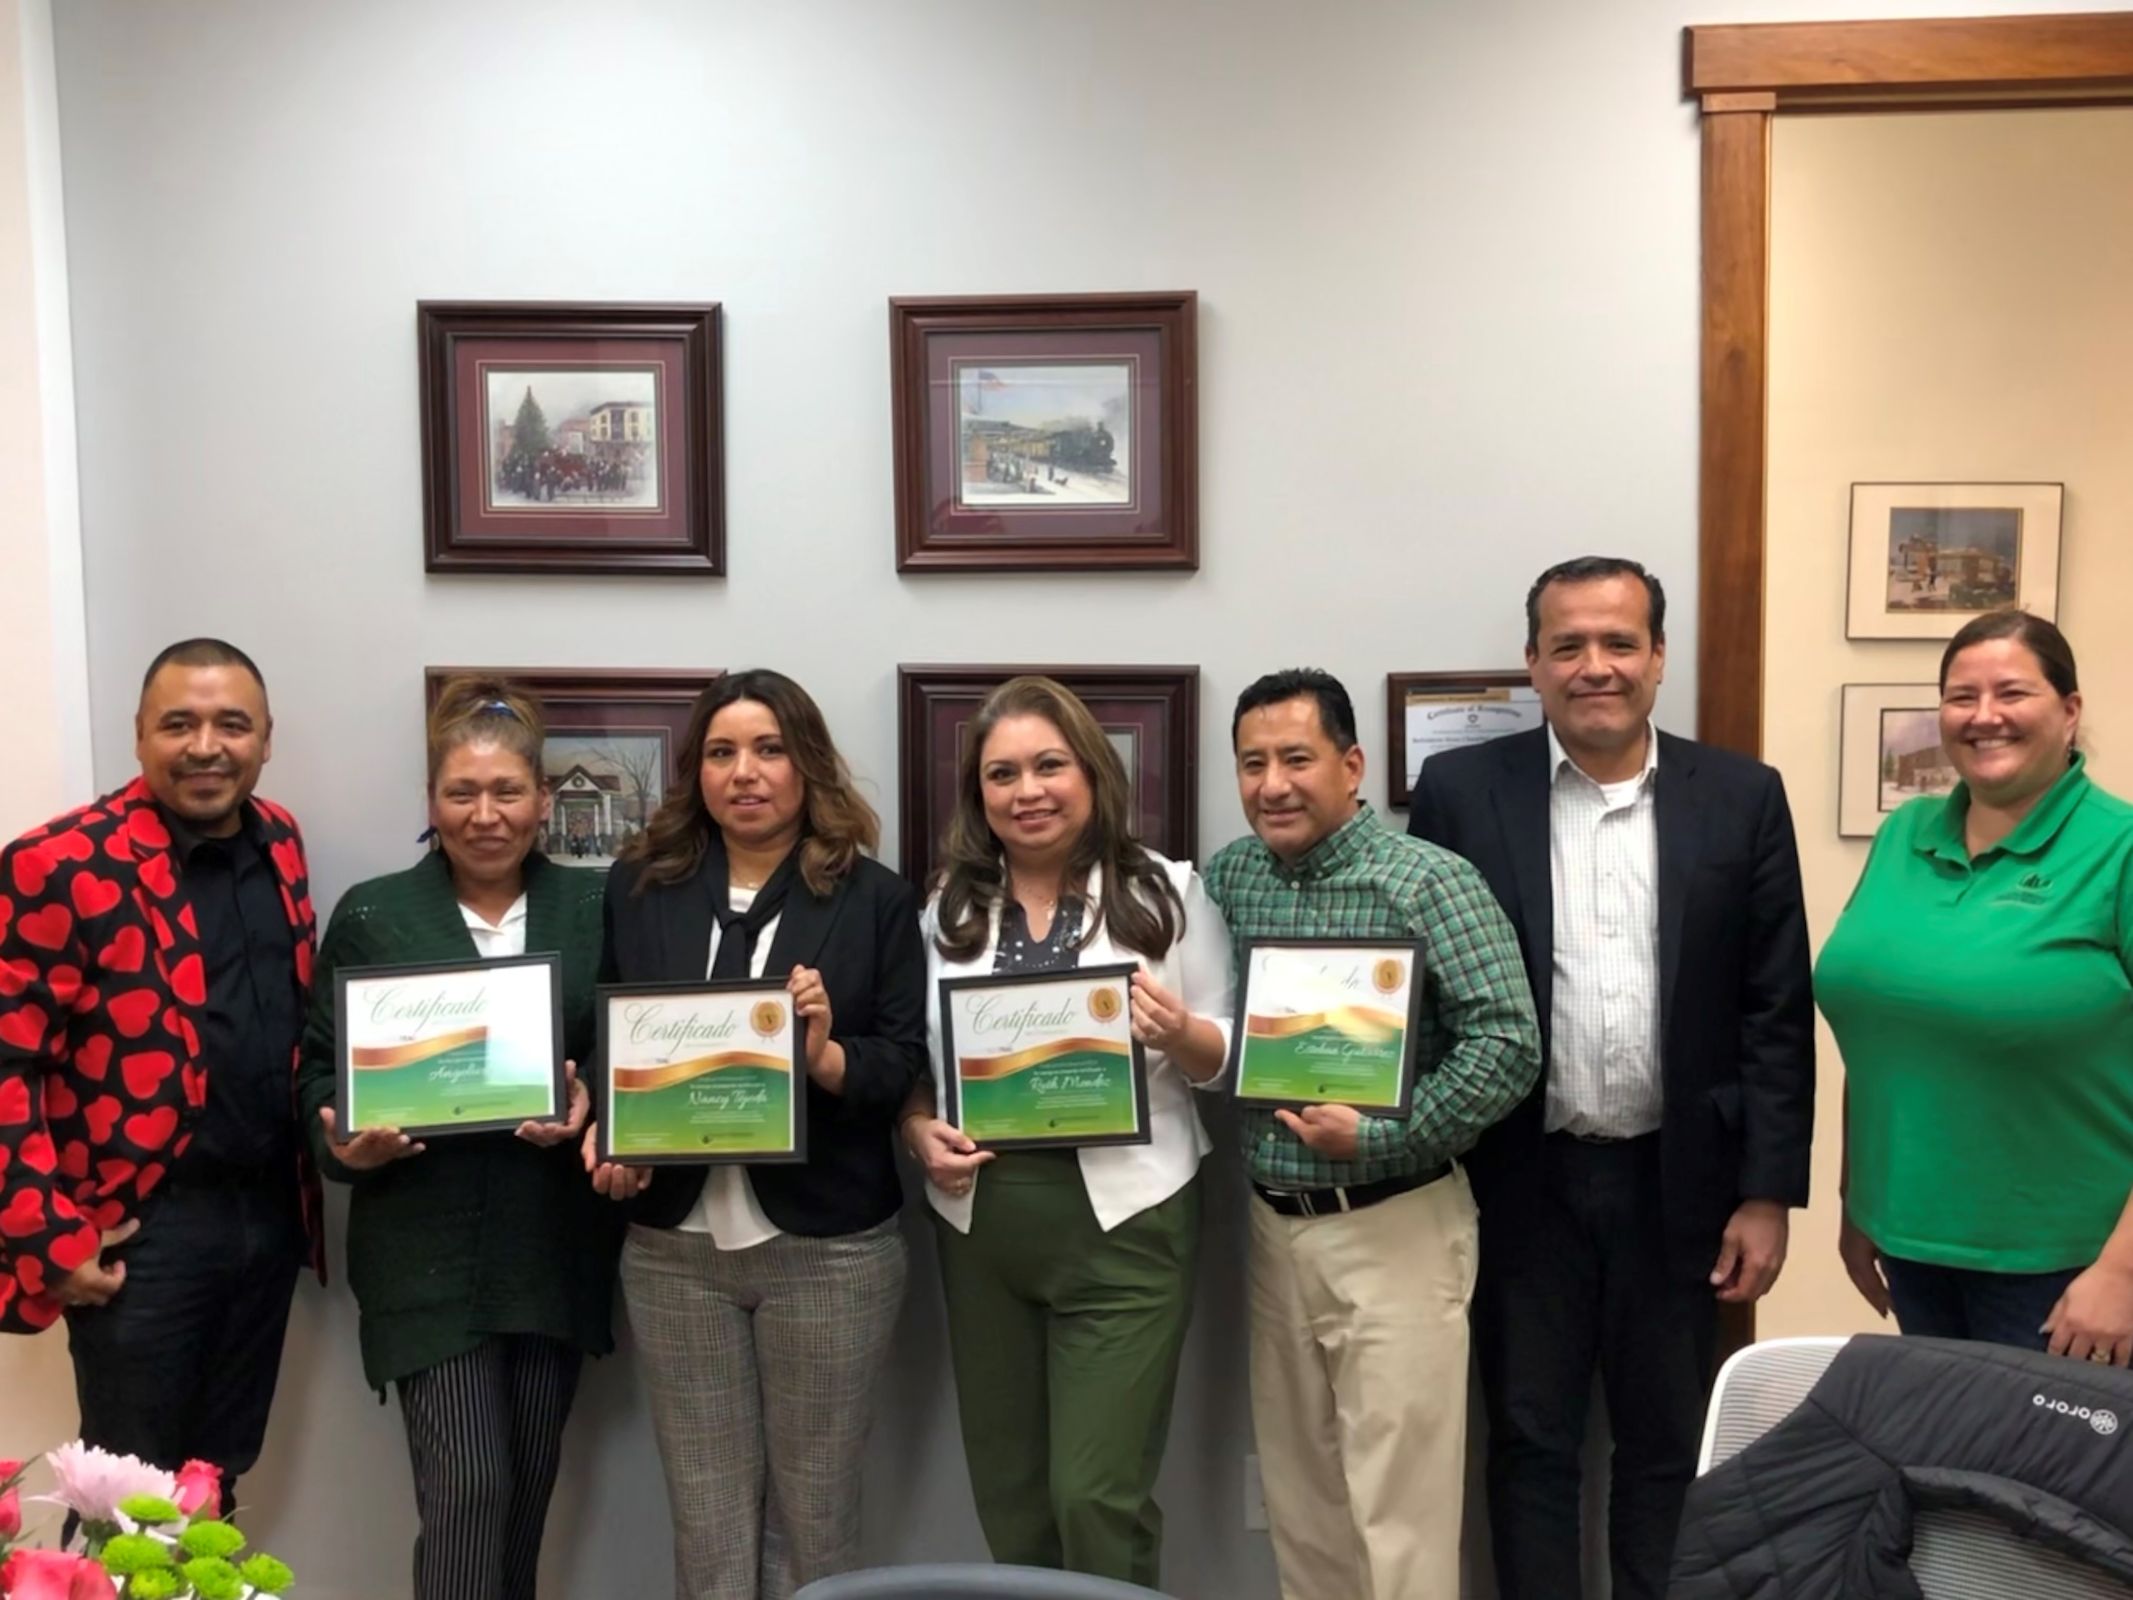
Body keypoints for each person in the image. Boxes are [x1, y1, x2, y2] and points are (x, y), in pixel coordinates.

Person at [1409, 556, 1816, 1600]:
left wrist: (1767, 1192)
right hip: (1518, 1178)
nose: (1597, 666)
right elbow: (1421, 993)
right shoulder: (1462, 792)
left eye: (1620, 643)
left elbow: (1774, 1010)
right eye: (1570, 645)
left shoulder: (1741, 796)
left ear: (1659, 656)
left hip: (1682, 1182)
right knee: (1531, 1443)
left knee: (1666, 1447)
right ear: (1533, 663)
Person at [584, 670, 925, 1600]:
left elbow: (899, 1065)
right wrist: (608, 1140)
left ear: (807, 765)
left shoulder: (875, 900)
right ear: (696, 771)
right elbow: (609, 1047)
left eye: (770, 749)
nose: (747, 773)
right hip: (671, 1248)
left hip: (828, 1250)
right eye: (724, 753)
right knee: (707, 1516)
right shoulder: (639, 889)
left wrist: (822, 1058)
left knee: (815, 1515)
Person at [1205, 667, 1541, 1600]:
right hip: (1274, 1227)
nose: (1272, 783)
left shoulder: (1428, 881)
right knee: (1301, 1501)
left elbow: (1508, 1043)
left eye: (1296, 758)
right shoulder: (1232, 879)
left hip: (1396, 1225)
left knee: (1401, 1511)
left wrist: (1386, 1138)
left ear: (1351, 765)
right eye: (1252, 762)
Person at [899, 676, 1234, 1589]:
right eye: (1001, 773)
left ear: (1091, 772)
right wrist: (919, 1127)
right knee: (1010, 1493)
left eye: (1049, 765)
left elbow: (1233, 1050)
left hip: (1128, 1222)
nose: (1026, 790)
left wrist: (1180, 1034)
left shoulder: (1165, 894)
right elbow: (918, 1061)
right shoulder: (946, 913)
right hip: (983, 1225)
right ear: (979, 795)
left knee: (1096, 1494)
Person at [293, 677, 622, 1600]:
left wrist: (589, 1103)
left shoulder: (598, 910)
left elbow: (619, 1052)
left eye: (507, 792)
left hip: (551, 1243)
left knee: (523, 1496)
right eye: (461, 793)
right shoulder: (374, 914)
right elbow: (319, 1074)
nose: (485, 815)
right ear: (431, 804)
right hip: (422, 1252)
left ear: (542, 802)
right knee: (467, 1488)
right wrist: (343, 1146)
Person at [0, 639, 320, 1501]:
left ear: (265, 738)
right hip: (143, 1234)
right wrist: (47, 1236)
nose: (206, 746)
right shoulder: (58, 863)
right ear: (139, 735)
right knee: (126, 1493)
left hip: (267, 1217)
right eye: (179, 724)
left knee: (214, 1482)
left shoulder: (280, 841)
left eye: (231, 724)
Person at [1818, 609, 2133, 1363]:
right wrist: (1855, 1202)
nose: (1983, 716)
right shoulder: (1906, 833)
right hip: (1911, 1244)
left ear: (2069, 711)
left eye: (2012, 693)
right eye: (1961, 696)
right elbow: (1882, 1029)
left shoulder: (2117, 848)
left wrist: (2122, 1273)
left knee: (2044, 1483)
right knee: (1947, 1476)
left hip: (2064, 1268)